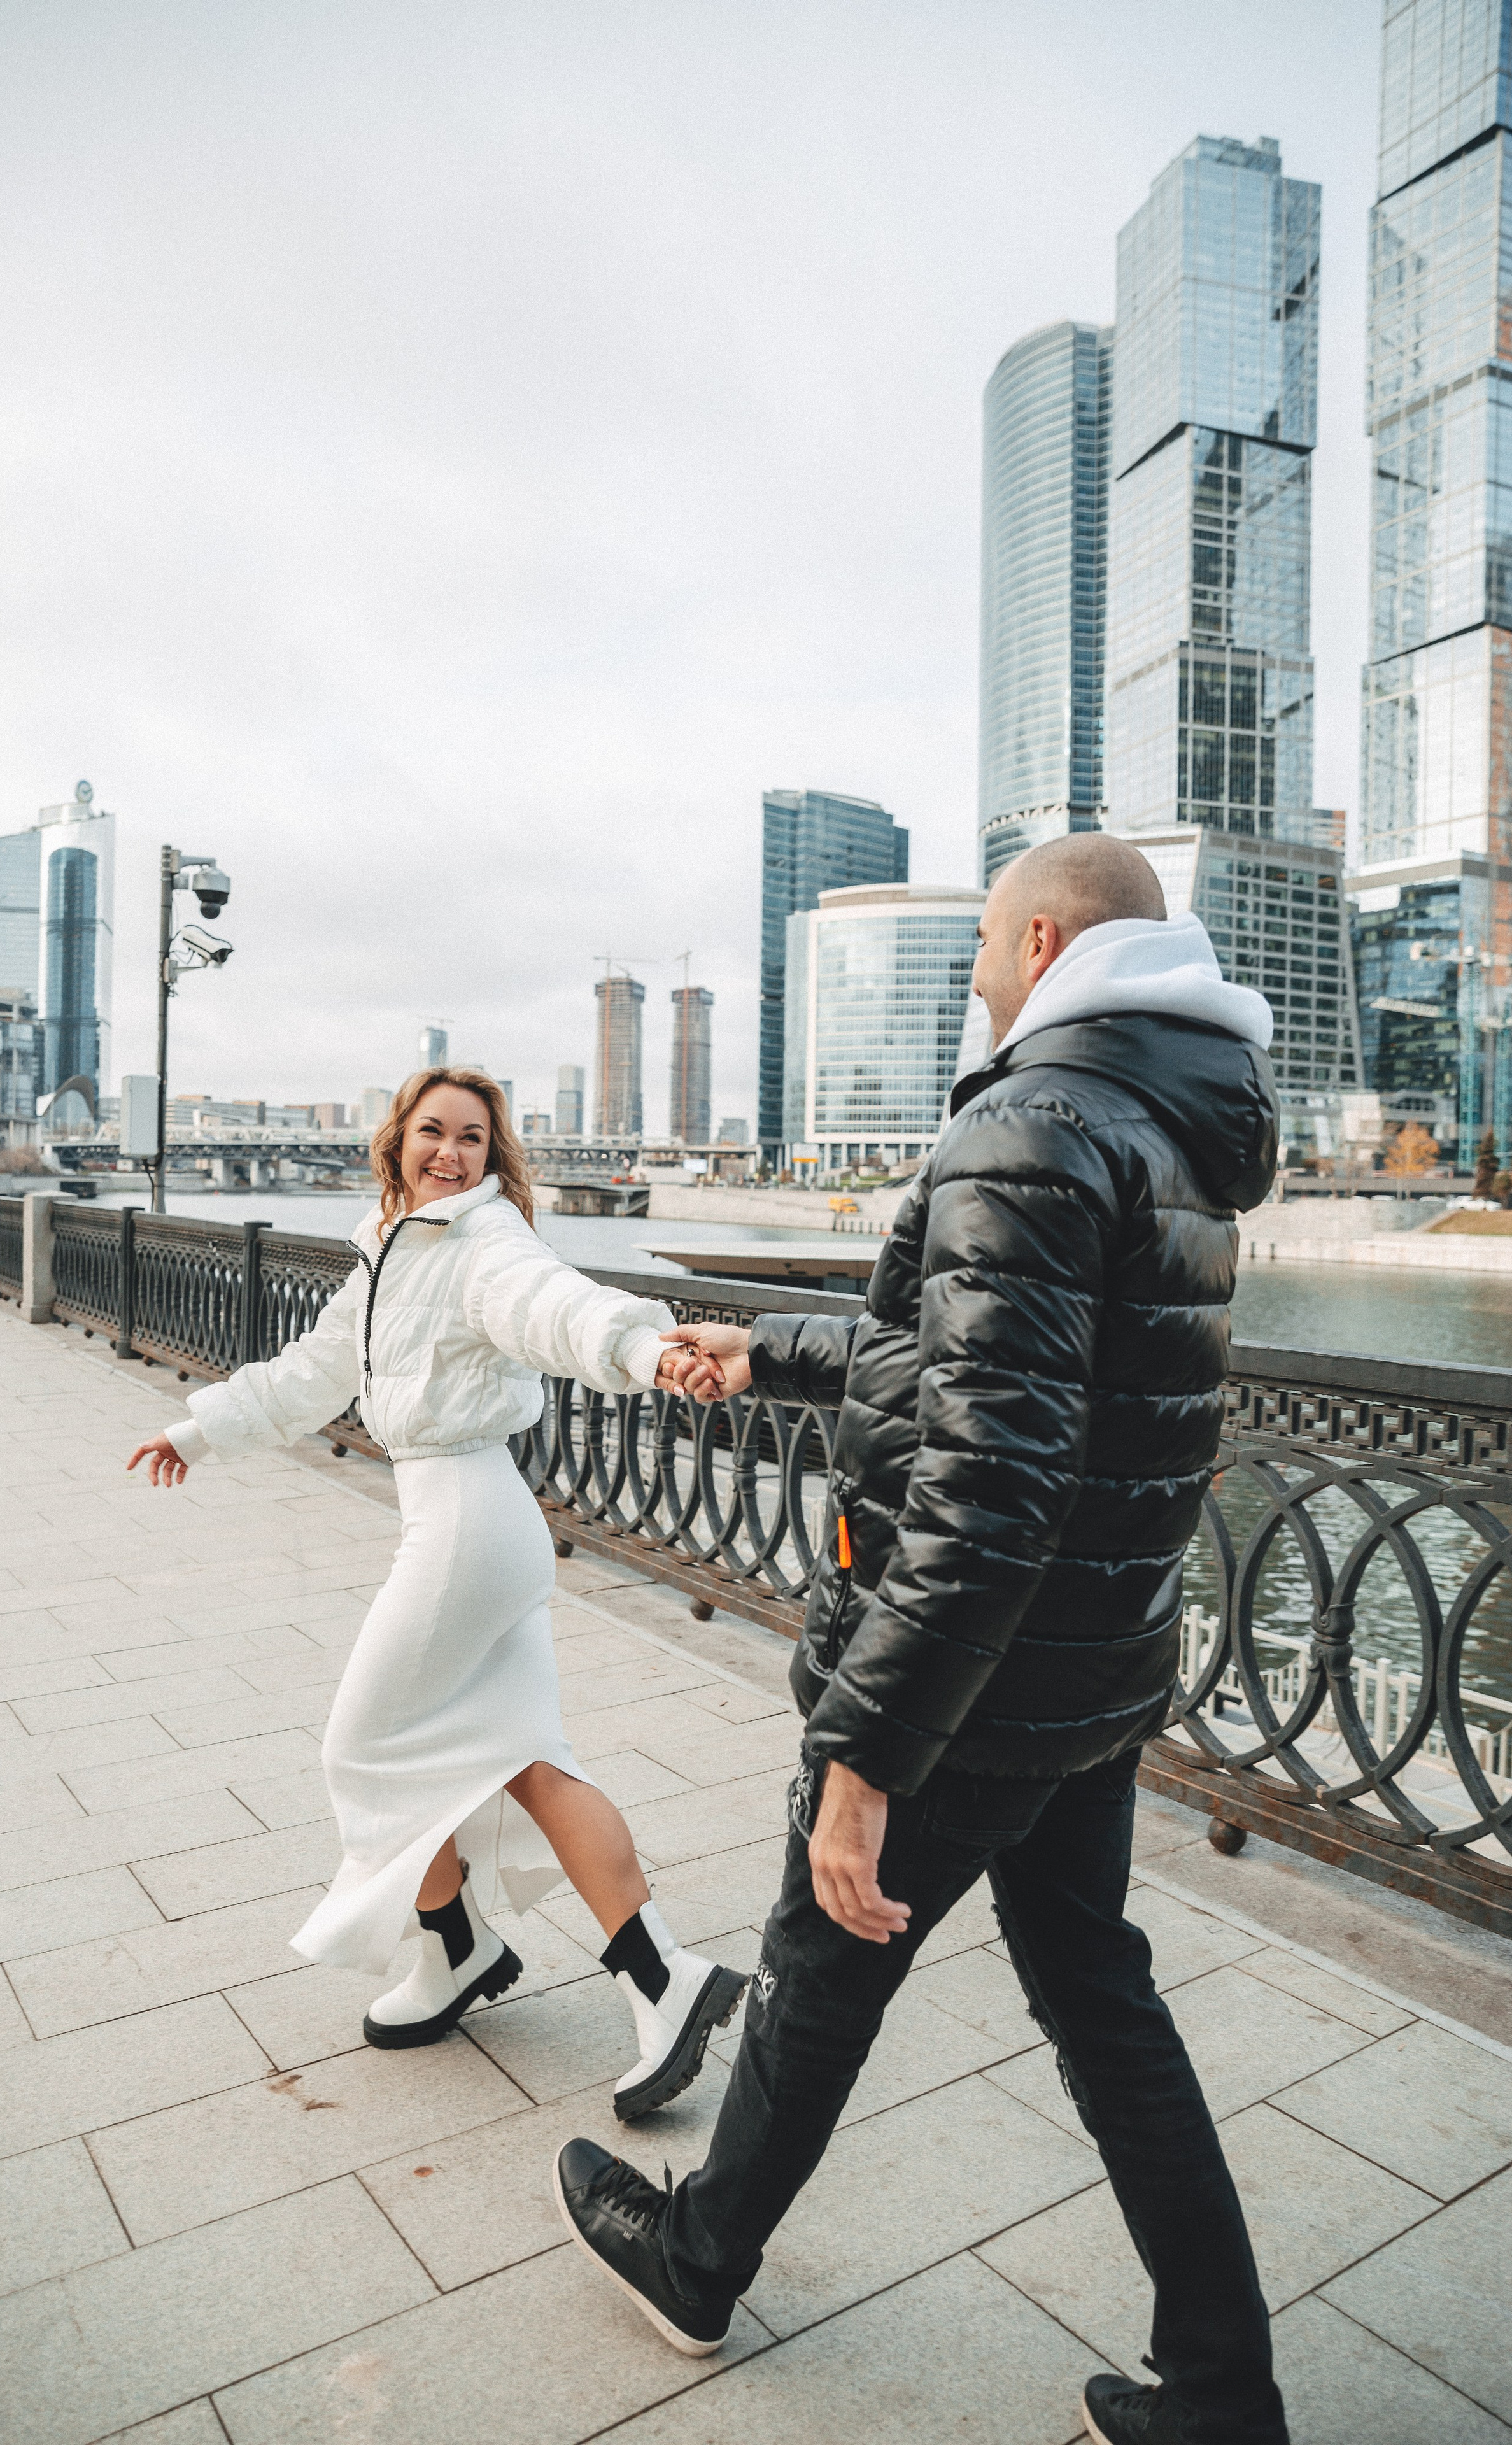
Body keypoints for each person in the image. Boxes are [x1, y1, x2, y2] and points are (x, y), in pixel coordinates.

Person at [553, 836, 1290, 2445]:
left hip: (969, 1686)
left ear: (1037, 939)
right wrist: (767, 1356)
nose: (968, 965)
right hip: (1092, 1671)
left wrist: (867, 1756)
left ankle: (697, 2257)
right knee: (1100, 1993)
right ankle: (1224, 2390)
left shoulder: (1025, 1123)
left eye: (978, 939)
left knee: (821, 1963)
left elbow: (986, 1483)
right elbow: (972, 1376)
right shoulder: (1173, 1132)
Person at [127, 1067, 744, 2114]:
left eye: (471, 1137)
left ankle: (459, 1950)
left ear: (492, 1157)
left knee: (362, 1751)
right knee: (529, 1764)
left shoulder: (482, 1244)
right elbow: (316, 1371)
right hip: (472, 1517)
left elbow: (555, 1309)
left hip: (466, 1522)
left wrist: (646, 1349)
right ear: (397, 1140)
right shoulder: (389, 1248)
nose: (449, 1152)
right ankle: (662, 1981)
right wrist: (199, 1429)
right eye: (432, 1131)